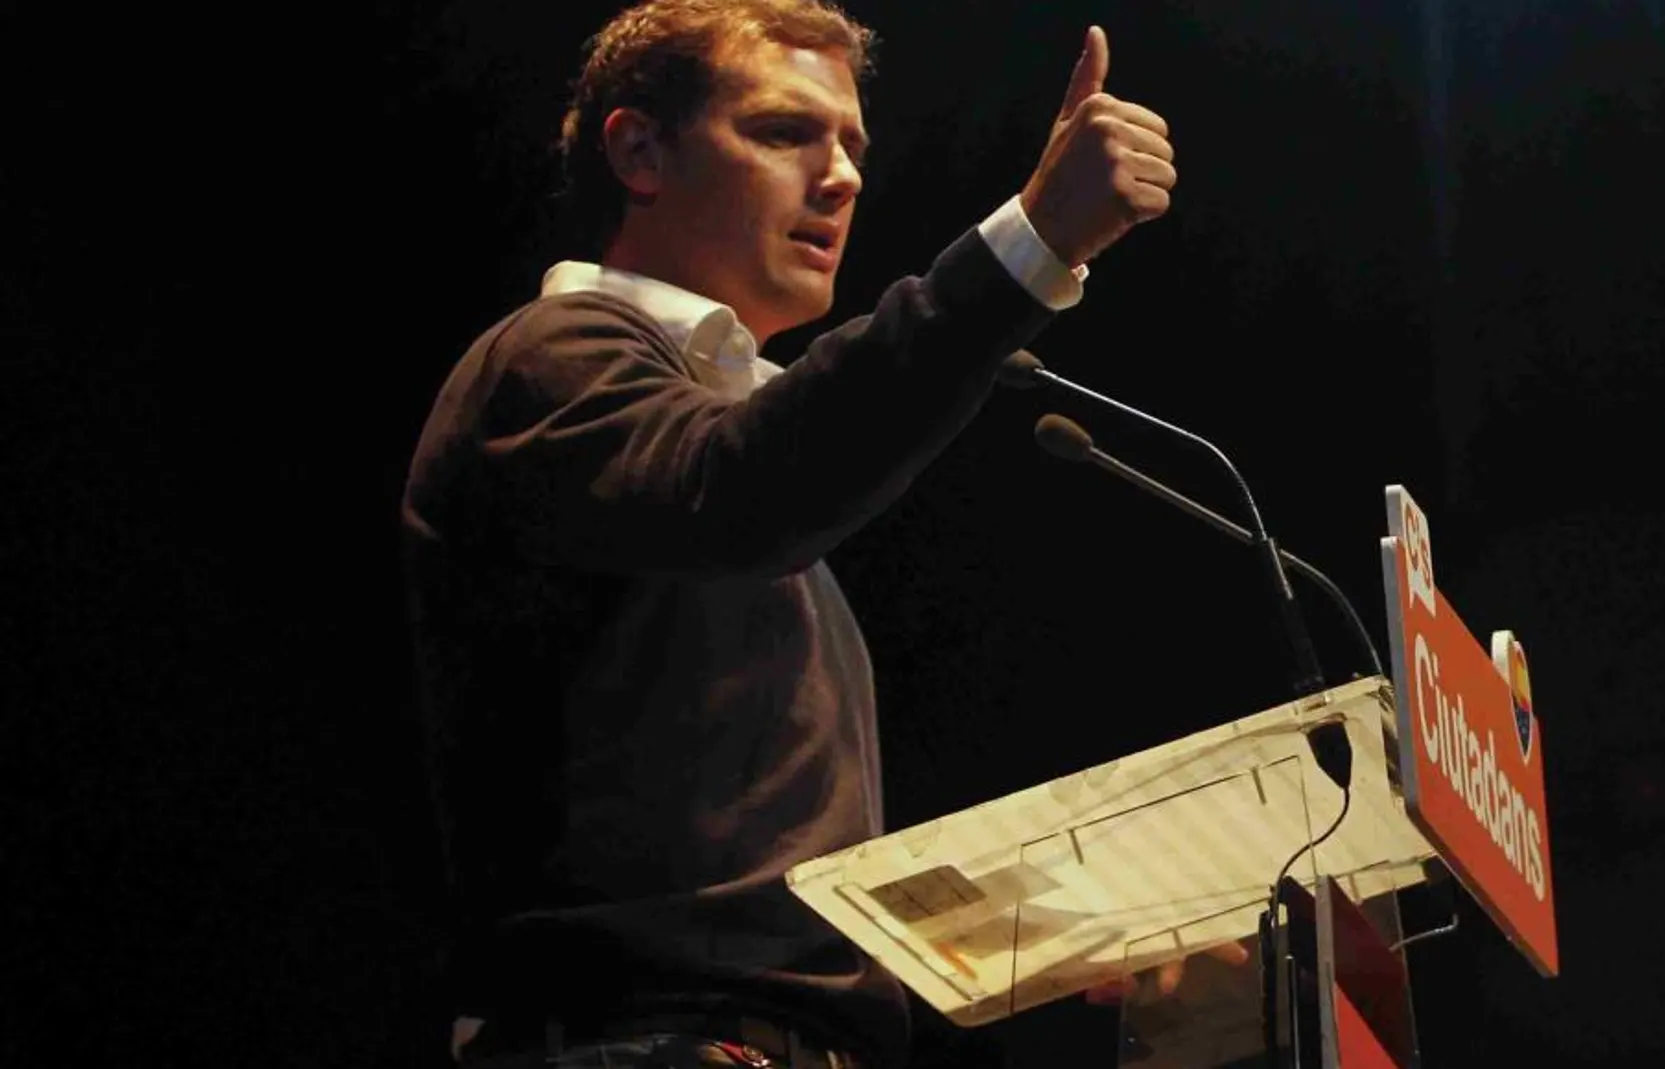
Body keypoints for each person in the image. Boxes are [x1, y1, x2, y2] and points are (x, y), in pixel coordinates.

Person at [399, 2, 1175, 1066]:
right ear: (640, 150)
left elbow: (755, 880)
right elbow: (749, 485)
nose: (843, 175)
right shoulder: (552, 359)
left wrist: (1064, 931)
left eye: (853, 144)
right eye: (782, 131)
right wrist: (1029, 245)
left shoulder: (715, 453)